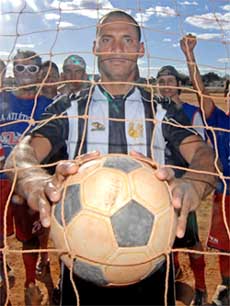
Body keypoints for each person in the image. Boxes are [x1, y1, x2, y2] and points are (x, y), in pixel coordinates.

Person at [4, 11, 217, 306]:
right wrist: (34, 180)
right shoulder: (69, 105)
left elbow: (204, 153)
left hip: (152, 260)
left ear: (141, 49)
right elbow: (21, 154)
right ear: (95, 47)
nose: (116, 48)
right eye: (108, 39)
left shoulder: (161, 107)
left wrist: (194, 183)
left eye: (127, 39)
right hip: (82, 260)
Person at [0, 50, 54, 305]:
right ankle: (2, 277)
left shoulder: (46, 106)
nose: (25, 74)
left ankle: (30, 282)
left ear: (40, 72)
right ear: (13, 71)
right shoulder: (2, 99)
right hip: (0, 180)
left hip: (26, 183)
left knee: (28, 237)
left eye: (31, 69)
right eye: (19, 68)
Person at [180, 34, 230, 306]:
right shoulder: (219, 120)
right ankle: (226, 287)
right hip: (226, 196)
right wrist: (190, 57)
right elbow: (200, 92)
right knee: (225, 246)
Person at [156, 65, 207, 305]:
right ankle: (171, 277)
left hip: (183, 187)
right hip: (156, 187)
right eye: (161, 81)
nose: (165, 85)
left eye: (169, 80)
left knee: (191, 241)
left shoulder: (192, 112)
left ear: (177, 84)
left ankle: (201, 288)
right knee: (162, 240)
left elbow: (200, 150)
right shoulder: (151, 109)